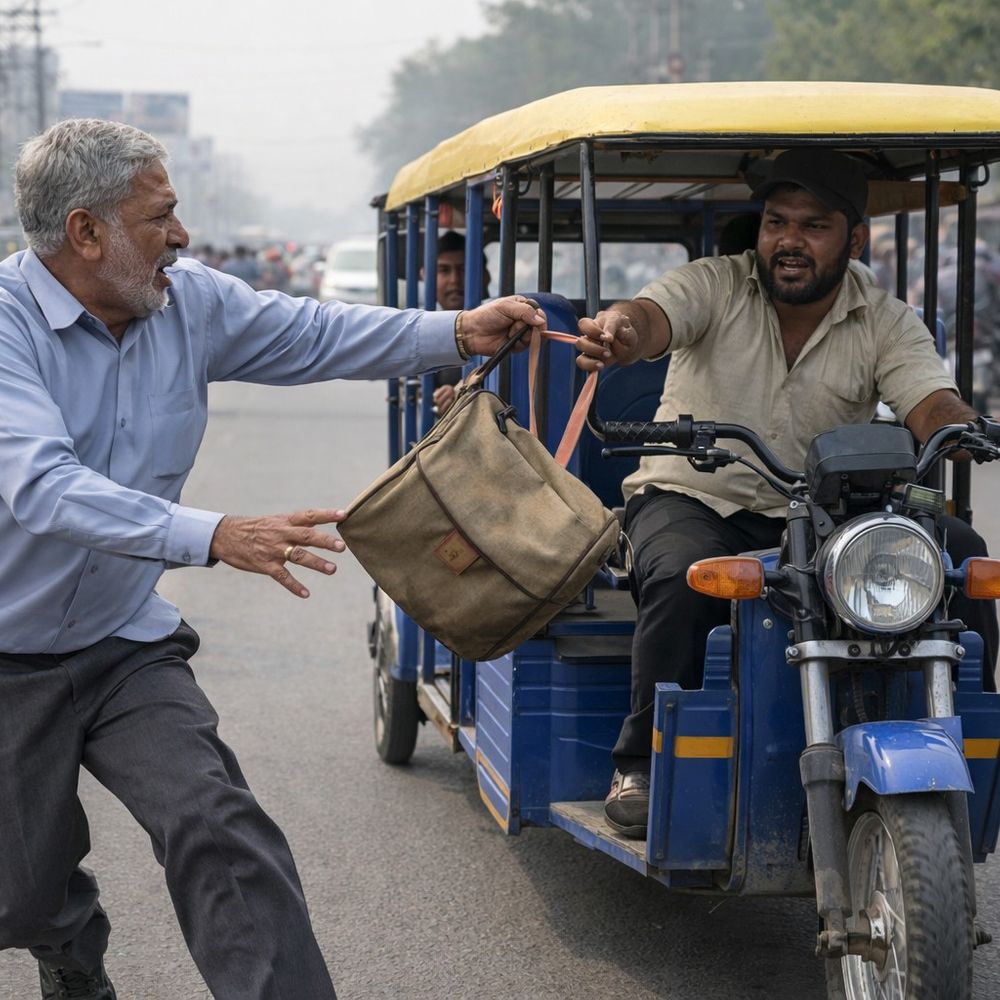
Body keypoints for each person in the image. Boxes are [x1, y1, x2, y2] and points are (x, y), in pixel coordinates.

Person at [0, 118, 544, 1000]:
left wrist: (459, 331)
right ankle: (67, 950)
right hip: (7, 653)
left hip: (120, 646)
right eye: (160, 219)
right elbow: (42, 487)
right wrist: (214, 533)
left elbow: (319, 334)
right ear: (85, 232)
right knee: (20, 898)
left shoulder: (190, 301)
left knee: (216, 823)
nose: (181, 238)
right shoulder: (6, 326)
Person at [574, 148, 999, 839]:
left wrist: (963, 429)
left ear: (853, 239)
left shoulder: (886, 319)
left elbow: (931, 401)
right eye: (776, 223)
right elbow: (652, 316)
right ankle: (640, 763)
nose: (789, 241)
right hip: (691, 497)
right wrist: (620, 331)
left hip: (820, 514)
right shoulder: (716, 284)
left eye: (813, 225)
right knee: (683, 579)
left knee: (958, 558)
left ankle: (967, 739)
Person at [426, 230, 491, 415]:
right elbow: (419, 395)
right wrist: (439, 399)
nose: (455, 280)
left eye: (464, 270)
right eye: (444, 270)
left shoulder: (505, 329)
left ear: (485, 276)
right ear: (425, 276)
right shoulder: (424, 336)